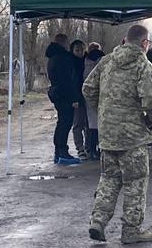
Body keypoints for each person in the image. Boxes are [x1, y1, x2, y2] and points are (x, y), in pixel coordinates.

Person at [84, 24, 152, 244]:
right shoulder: (143, 65)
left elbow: (88, 89)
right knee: (135, 182)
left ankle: (98, 221)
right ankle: (131, 229)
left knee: (109, 178)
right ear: (144, 43)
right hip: (133, 135)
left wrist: (103, 111)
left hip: (108, 133)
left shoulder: (106, 61)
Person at [45, 34, 80, 164]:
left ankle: (58, 152)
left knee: (61, 123)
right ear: (64, 43)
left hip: (57, 93)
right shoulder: (63, 58)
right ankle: (63, 152)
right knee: (65, 123)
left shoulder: (52, 57)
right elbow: (68, 79)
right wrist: (74, 98)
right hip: (64, 95)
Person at [84, 44, 106, 160]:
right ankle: (94, 149)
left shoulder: (86, 65)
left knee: (92, 125)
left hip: (91, 99)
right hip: (97, 98)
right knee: (96, 125)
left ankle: (91, 149)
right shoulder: (97, 68)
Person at [70, 40, 88, 159]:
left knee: (88, 123)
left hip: (88, 96)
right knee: (77, 124)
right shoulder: (70, 63)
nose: (80, 52)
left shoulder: (88, 61)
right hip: (77, 97)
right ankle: (80, 148)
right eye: (77, 50)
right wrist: (74, 99)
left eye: (82, 49)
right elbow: (71, 83)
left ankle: (88, 146)